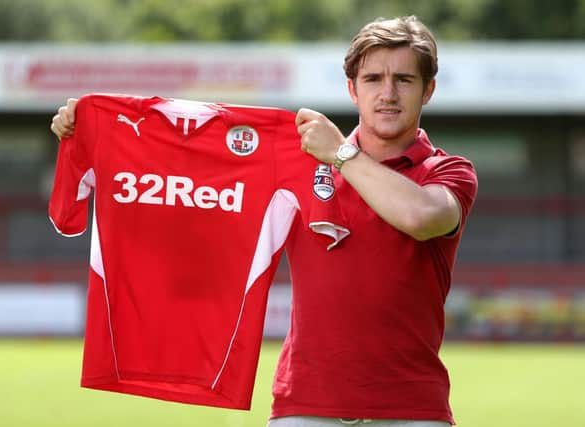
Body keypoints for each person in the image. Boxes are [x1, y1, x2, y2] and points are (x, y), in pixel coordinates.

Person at [51, 15, 477, 427]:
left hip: (413, 410)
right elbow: (190, 177)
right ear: (352, 89)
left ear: (428, 90)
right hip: (304, 407)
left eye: (403, 79)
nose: (388, 93)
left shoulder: (448, 171)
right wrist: (92, 129)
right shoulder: (300, 163)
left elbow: (421, 216)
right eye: (373, 79)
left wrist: (341, 156)